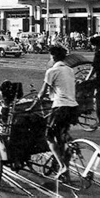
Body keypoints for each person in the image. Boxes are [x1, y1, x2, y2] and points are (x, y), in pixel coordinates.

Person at [27, 45, 78, 179]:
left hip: (61, 107)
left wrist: (31, 108)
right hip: (73, 107)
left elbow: (42, 93)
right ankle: (65, 169)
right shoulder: (69, 70)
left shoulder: (52, 71)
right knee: (62, 137)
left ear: (54, 57)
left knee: (49, 136)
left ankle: (62, 166)